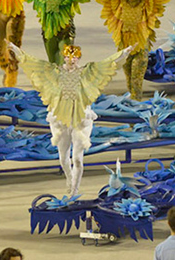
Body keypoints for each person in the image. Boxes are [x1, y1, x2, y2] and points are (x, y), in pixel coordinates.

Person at [11, 43, 131, 195]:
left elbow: (107, 64)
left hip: (80, 118)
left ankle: (74, 189)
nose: (71, 60)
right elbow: (35, 63)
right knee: (63, 158)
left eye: (74, 57)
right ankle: (69, 178)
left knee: (78, 159)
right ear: (64, 57)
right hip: (61, 117)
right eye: (68, 57)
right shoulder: (55, 72)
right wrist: (17, 50)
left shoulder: (87, 72)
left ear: (79, 58)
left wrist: (124, 53)